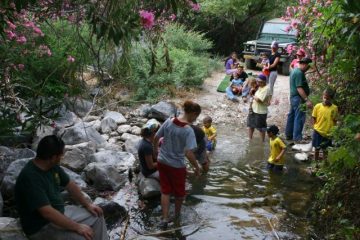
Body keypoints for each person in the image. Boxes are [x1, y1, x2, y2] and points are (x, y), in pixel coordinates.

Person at [15, 135, 108, 240]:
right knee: (83, 238)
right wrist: (77, 227)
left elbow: (70, 185)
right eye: (61, 155)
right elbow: (47, 213)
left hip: (60, 212)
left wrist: (88, 205)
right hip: (42, 226)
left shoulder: (52, 166)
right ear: (54, 157)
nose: (62, 157)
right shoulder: (30, 178)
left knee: (97, 215)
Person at [154, 100, 201, 228]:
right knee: (180, 194)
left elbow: (156, 137)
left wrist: (156, 152)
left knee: (165, 191)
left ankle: (164, 219)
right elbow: (188, 153)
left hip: (162, 161)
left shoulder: (169, 121)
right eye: (196, 117)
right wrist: (197, 167)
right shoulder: (188, 130)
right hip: (176, 165)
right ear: (192, 113)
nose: (195, 120)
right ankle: (176, 218)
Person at [285, 57, 313, 142]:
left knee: (292, 115)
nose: (308, 69)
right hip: (298, 98)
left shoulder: (294, 70)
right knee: (299, 117)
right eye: (308, 67)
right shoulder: (299, 73)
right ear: (305, 64)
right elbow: (299, 88)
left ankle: (289, 135)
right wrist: (307, 100)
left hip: (293, 97)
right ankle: (297, 138)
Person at [312, 89, 338, 163]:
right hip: (318, 131)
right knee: (317, 148)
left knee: (325, 150)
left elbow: (335, 120)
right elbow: (314, 117)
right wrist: (315, 126)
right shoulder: (317, 106)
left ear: (331, 99)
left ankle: (325, 163)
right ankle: (315, 162)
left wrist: (332, 131)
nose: (325, 100)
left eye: (328, 98)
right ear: (322, 96)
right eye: (324, 97)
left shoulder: (334, 108)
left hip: (328, 133)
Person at [247, 74, 271, 142]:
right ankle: (250, 140)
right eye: (257, 81)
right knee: (250, 126)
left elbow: (259, 100)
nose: (258, 83)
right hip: (253, 109)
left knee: (261, 128)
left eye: (259, 82)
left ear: (264, 81)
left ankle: (262, 142)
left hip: (261, 111)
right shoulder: (260, 87)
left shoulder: (266, 89)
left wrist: (252, 94)